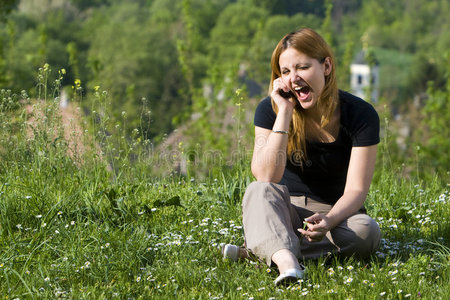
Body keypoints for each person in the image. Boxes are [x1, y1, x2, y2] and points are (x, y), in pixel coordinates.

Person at [222, 28, 381, 286]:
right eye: (285, 72)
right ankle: (288, 265)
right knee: (259, 192)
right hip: (284, 209)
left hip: (335, 214)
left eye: (302, 67)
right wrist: (284, 112)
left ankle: (264, 250)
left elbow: (357, 189)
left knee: (367, 232)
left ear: (326, 66)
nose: (294, 79)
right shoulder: (269, 109)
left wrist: (328, 221)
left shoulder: (361, 115)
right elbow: (265, 176)